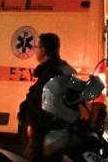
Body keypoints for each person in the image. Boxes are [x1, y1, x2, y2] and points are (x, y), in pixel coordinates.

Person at [21, 33, 75, 162]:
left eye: (36, 47)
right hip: (59, 129)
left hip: (45, 131)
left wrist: (33, 126)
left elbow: (41, 103)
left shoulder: (49, 72)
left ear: (43, 50)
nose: (35, 51)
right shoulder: (63, 68)